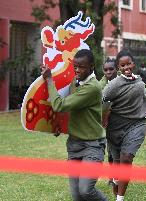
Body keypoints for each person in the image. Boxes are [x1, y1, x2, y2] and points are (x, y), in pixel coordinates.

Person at [102, 50, 146, 201]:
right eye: (123, 65)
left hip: (136, 124)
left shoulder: (140, 82)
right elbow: (100, 99)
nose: (126, 67)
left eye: (129, 63)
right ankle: (116, 181)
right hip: (115, 128)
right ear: (118, 67)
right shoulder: (114, 84)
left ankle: (120, 199)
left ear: (133, 64)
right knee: (117, 166)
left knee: (126, 158)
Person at [41, 49, 108, 201]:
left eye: (81, 67)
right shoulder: (76, 81)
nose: (77, 70)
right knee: (77, 196)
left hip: (93, 145)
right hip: (74, 144)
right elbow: (73, 109)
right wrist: (59, 124)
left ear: (92, 66)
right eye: (75, 66)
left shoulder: (92, 87)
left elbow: (60, 105)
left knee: (85, 191)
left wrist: (49, 80)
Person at [99, 58, 117, 186]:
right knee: (111, 150)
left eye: (111, 69)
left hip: (124, 120)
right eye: (106, 69)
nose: (108, 71)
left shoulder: (124, 80)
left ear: (116, 68)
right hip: (108, 122)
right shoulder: (100, 85)